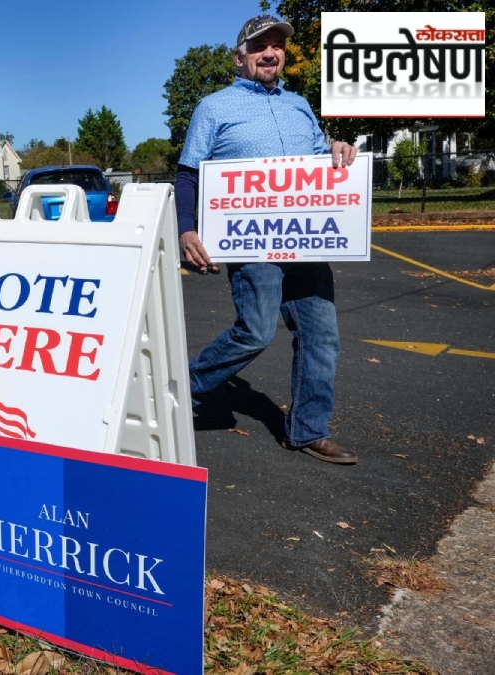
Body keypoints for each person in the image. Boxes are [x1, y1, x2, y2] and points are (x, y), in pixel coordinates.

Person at [175, 13, 359, 465]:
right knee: (255, 332)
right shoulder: (214, 107)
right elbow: (188, 173)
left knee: (321, 334)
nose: (269, 52)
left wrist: (336, 149)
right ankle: (178, 390)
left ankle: (309, 430)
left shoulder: (300, 105)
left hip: (307, 238)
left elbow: (319, 163)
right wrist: (186, 228)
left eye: (277, 45)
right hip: (250, 240)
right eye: (260, 46)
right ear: (241, 57)